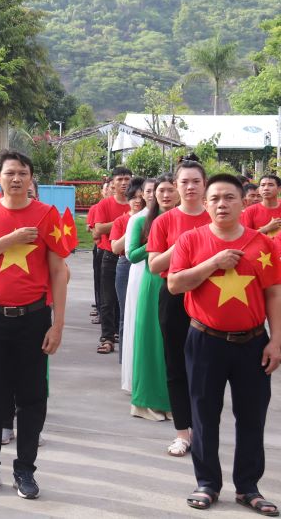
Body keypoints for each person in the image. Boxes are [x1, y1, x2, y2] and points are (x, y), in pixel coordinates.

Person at [167, 174, 281, 514]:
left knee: (252, 416)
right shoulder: (191, 240)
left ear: (242, 202)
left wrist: (276, 341)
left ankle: (247, 487)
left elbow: (274, 293)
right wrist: (213, 263)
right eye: (215, 198)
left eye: (229, 197)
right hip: (205, 340)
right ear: (205, 203)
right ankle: (207, 483)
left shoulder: (262, 245)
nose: (221, 204)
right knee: (203, 415)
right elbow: (174, 283)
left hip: (253, 342)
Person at [0, 150, 69, 499]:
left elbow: (58, 271)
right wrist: (11, 239)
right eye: (10, 173)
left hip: (34, 319)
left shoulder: (46, 214)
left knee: (32, 398)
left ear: (31, 178)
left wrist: (58, 324)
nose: (17, 179)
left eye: (23, 172)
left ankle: (25, 470)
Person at [147, 158, 209, 456]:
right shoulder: (164, 221)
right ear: (175, 185)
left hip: (211, 297)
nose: (190, 187)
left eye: (196, 181)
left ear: (204, 185)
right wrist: (182, 244)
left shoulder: (216, 217)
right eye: (184, 182)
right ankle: (183, 433)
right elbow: (154, 264)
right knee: (176, 365)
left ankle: (203, 429)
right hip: (173, 297)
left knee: (207, 367)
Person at [127, 175, 177, 420]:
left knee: (173, 346)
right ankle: (146, 401)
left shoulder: (184, 219)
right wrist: (154, 247)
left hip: (181, 283)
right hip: (152, 283)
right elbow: (132, 255)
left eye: (170, 190)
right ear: (152, 195)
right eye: (161, 191)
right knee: (151, 344)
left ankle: (171, 401)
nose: (166, 195)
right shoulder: (141, 221)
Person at [119, 177, 157, 395]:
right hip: (141, 274)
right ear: (143, 193)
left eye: (159, 190)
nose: (154, 195)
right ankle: (137, 379)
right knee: (138, 326)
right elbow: (131, 254)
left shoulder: (171, 217)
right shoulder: (138, 220)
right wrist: (156, 243)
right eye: (150, 190)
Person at [91, 166, 133, 354]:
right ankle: (107, 337)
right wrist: (124, 220)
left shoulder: (137, 203)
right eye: (120, 179)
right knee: (107, 299)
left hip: (132, 256)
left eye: (127, 179)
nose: (124, 183)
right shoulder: (105, 205)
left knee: (125, 299)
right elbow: (98, 229)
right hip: (110, 255)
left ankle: (121, 333)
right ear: (113, 183)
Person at [110, 177, 146, 362]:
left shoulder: (152, 218)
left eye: (142, 197)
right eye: (134, 197)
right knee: (126, 313)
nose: (138, 201)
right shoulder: (121, 221)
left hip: (147, 264)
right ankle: (125, 359)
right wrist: (133, 227)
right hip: (126, 264)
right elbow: (116, 248)